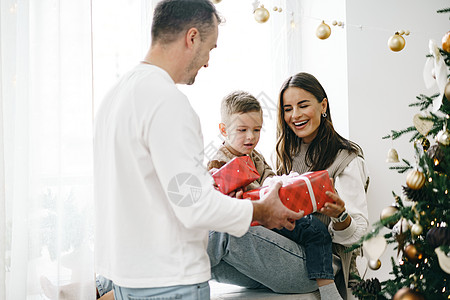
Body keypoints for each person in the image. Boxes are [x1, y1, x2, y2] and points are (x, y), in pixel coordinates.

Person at [93, 1, 303, 300]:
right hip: (170, 282)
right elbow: (194, 205)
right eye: (210, 48)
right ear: (192, 38)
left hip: (129, 279)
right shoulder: (167, 102)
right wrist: (262, 211)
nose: (207, 61)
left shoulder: (115, 97)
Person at [206, 73, 369, 299]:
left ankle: (165, 271)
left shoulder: (346, 159)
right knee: (209, 244)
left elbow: (358, 234)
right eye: (287, 108)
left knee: (226, 229)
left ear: (323, 105)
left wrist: (340, 216)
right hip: (285, 248)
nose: (295, 115)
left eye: (303, 105)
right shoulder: (284, 153)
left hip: (319, 262)